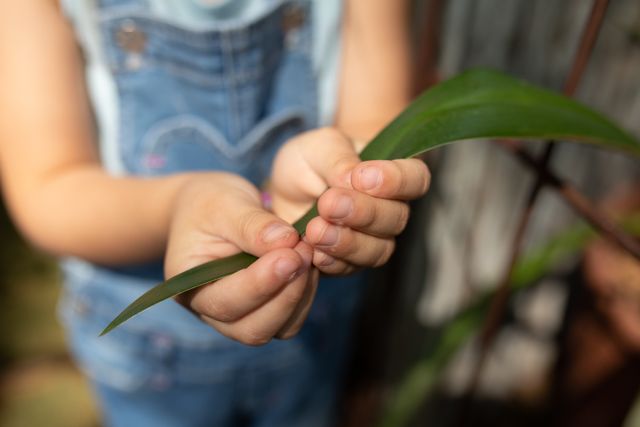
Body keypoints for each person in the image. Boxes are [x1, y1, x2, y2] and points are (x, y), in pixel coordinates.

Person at [0, 0, 429, 426]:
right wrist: (179, 206)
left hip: (314, 323)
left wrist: (344, 179)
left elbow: (376, 118)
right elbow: (47, 184)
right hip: (147, 347)